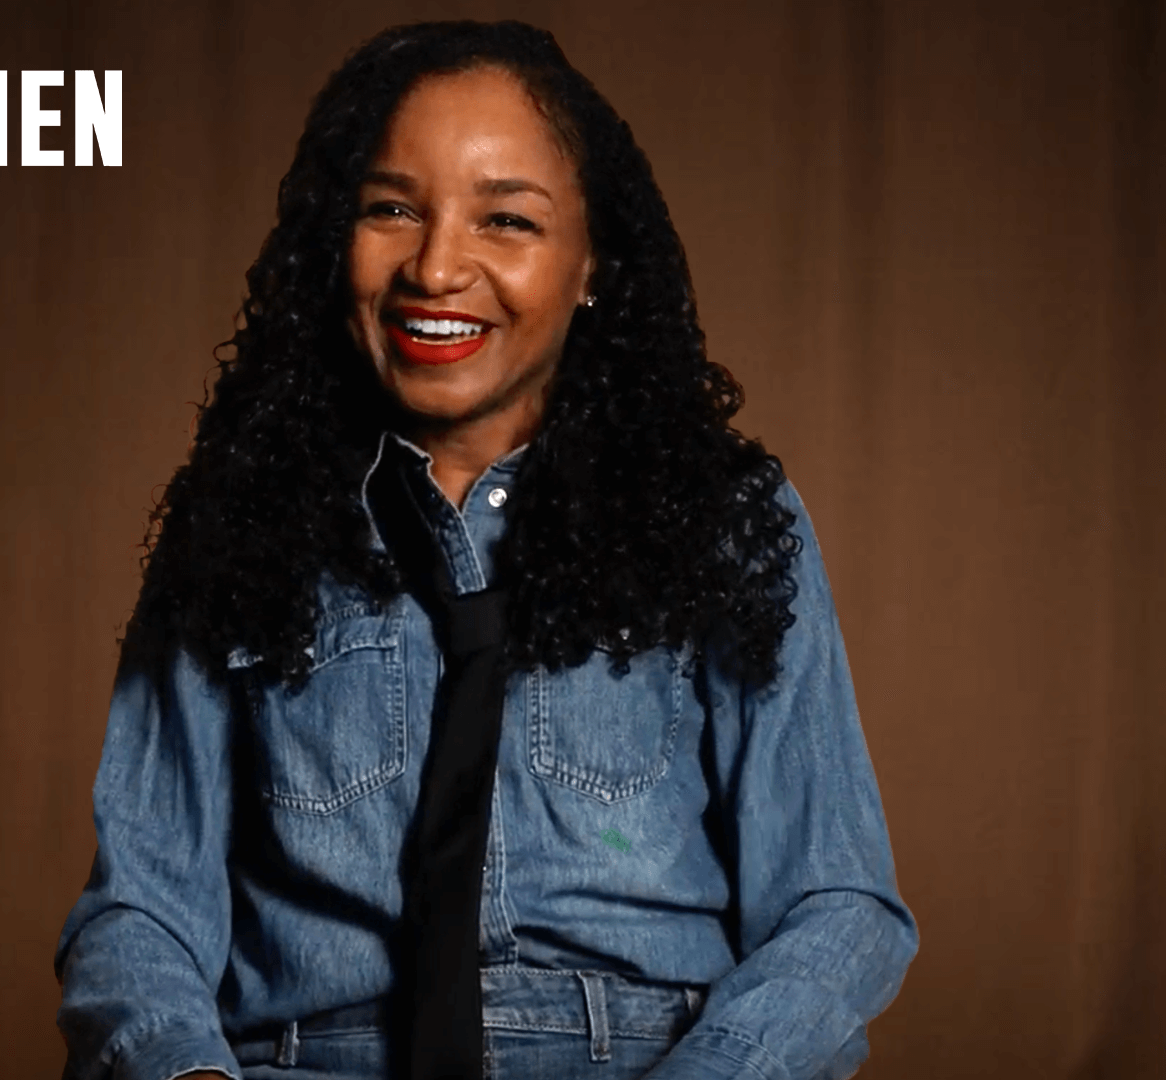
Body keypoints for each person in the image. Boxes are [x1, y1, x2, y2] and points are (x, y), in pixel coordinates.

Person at [54, 19, 915, 1080]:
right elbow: (138, 916)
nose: (437, 265)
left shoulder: (724, 516)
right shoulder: (237, 528)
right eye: (391, 209)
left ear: (593, 261)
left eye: (506, 218)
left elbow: (839, 905)